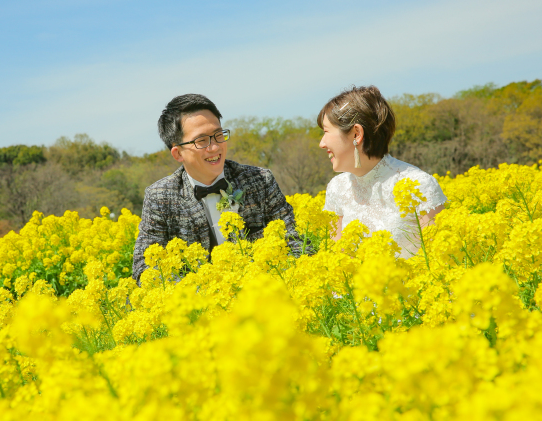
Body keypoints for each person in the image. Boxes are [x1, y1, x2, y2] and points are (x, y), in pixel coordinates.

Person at [133, 94, 303, 282]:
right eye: (202, 140)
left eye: (218, 135)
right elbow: (144, 269)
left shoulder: (260, 180)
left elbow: (296, 243)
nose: (214, 147)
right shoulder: (159, 197)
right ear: (178, 153)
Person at [318, 86, 446, 258]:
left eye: (326, 132)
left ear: (356, 134)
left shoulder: (419, 186)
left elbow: (439, 263)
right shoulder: (337, 188)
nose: (322, 143)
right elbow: (336, 263)